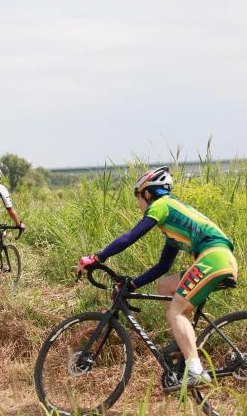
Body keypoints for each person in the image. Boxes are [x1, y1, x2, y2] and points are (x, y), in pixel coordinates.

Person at [77, 166, 238, 390]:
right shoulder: (171, 223)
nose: (139, 206)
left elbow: (131, 236)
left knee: (176, 311)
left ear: (148, 194)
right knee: (165, 286)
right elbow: (163, 266)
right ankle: (182, 342)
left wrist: (97, 257)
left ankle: (195, 371)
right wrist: (133, 284)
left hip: (213, 258)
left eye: (139, 199)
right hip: (219, 259)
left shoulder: (162, 205)